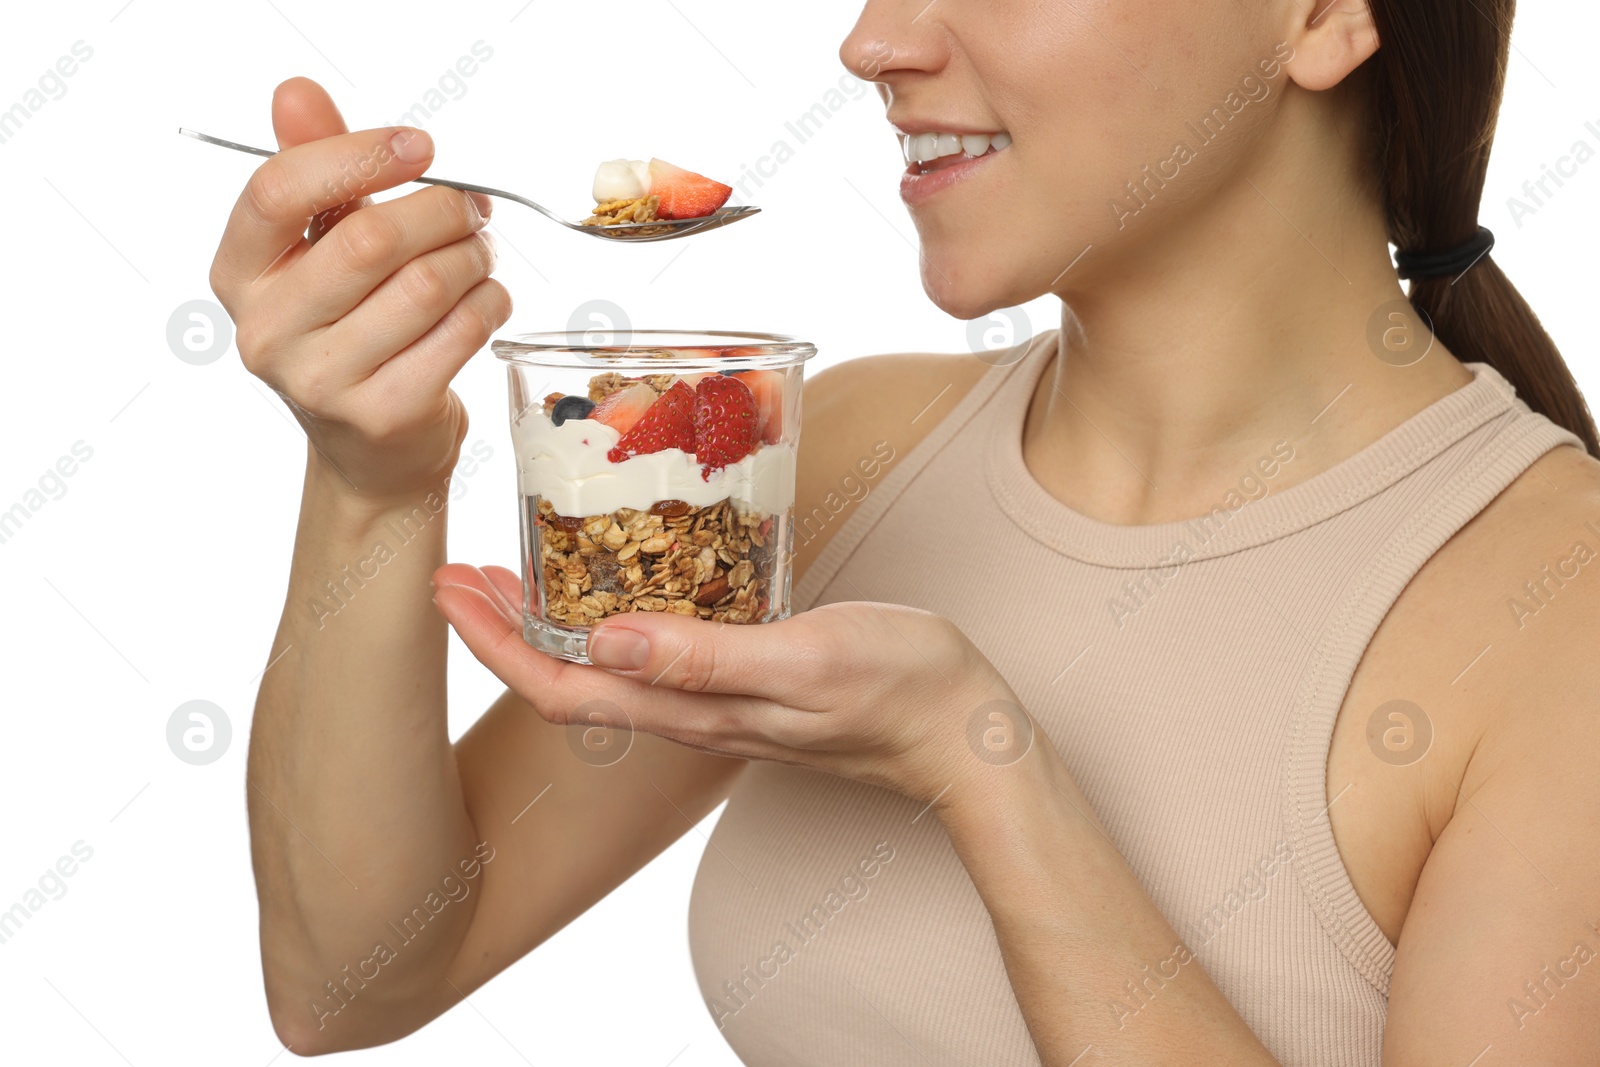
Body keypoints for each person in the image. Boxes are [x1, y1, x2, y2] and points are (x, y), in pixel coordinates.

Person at [209, 0, 1600, 1063]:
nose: (874, 40)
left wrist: (986, 769)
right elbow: (357, 976)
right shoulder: (853, 458)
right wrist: (374, 481)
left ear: (1322, 16)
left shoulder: (1558, 618)